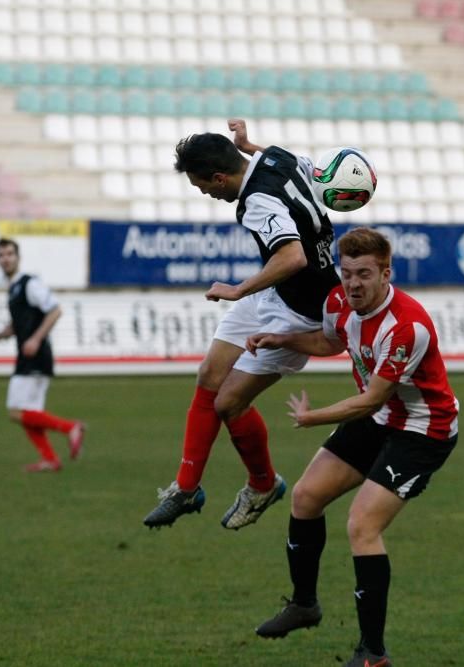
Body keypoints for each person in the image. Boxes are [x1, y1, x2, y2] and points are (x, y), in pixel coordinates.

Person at [247, 228, 459, 667]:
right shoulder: (340, 303)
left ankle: (373, 654)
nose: (353, 284)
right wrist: (282, 339)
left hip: (423, 430)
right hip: (379, 419)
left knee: (362, 526)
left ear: (386, 273)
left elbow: (372, 398)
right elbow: (331, 341)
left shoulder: (407, 326)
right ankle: (304, 604)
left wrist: (312, 417)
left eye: (364, 274)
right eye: (346, 274)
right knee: (305, 497)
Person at [142, 119, 340, 531]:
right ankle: (186, 487)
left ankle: (263, 485)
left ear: (219, 176)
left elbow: (293, 257)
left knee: (228, 403)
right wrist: (249, 144)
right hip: (277, 293)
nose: (207, 194)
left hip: (301, 309)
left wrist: (238, 289)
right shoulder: (274, 156)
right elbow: (299, 167)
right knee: (209, 374)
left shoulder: (257, 202)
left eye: (204, 187)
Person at [0, 238, 85, 472]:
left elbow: (55, 310)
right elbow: (16, 326)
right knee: (28, 413)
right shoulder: (14, 288)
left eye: (9, 254)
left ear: (18, 257)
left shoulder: (30, 284)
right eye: (1, 255)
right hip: (28, 355)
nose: (5, 259)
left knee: (17, 411)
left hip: (36, 355)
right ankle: (50, 459)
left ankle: (70, 428)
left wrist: (36, 339)